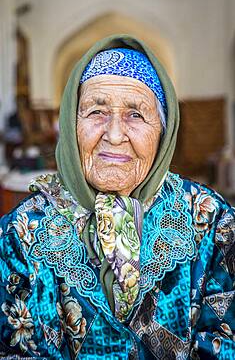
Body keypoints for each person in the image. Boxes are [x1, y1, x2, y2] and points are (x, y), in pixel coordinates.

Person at [0, 34, 234, 360]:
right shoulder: (20, 233)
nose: (113, 134)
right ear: (71, 124)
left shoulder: (212, 223)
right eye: (96, 111)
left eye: (136, 115)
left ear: (163, 133)